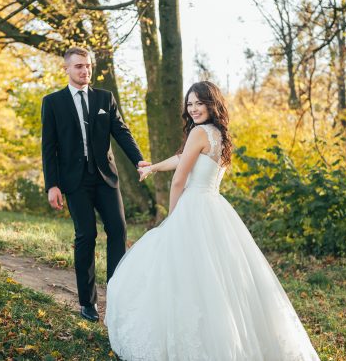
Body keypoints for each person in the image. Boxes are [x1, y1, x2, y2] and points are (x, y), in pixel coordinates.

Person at [105, 81, 320, 360]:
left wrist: (172, 218)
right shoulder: (219, 135)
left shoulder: (198, 133)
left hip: (193, 207)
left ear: (211, 103)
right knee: (218, 279)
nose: (193, 109)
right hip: (215, 207)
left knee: (183, 275)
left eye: (199, 103)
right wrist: (154, 167)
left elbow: (180, 179)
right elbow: (183, 158)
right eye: (189, 104)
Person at [41, 47, 149, 322]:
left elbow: (122, 131)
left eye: (87, 66)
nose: (84, 70)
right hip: (74, 181)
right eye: (78, 66)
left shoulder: (105, 98)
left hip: (105, 178)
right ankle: (87, 303)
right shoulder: (52, 102)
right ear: (66, 69)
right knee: (86, 235)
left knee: (118, 230)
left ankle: (117, 294)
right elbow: (49, 146)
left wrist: (139, 160)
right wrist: (52, 185)